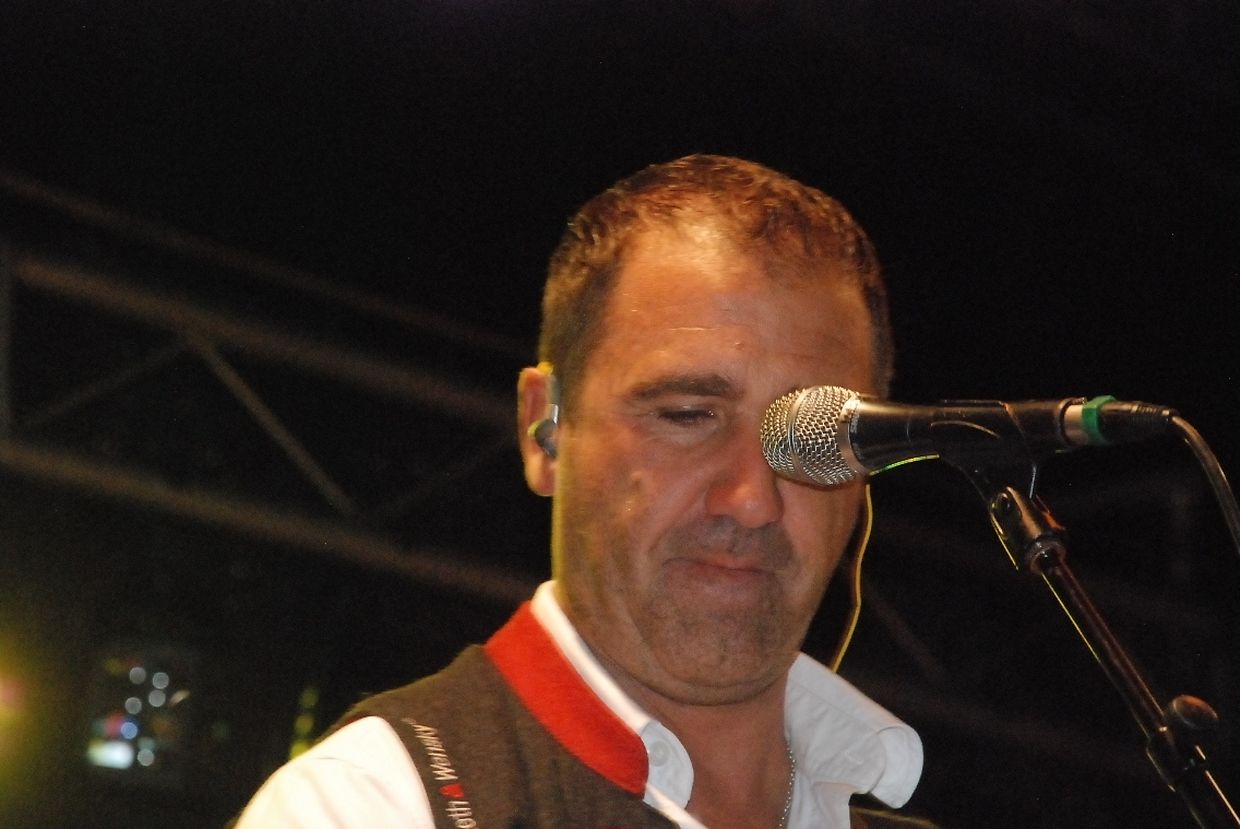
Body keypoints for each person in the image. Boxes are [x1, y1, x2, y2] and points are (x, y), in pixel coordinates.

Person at [232, 154, 929, 828]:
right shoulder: (371, 807)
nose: (753, 499)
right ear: (544, 431)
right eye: (687, 415)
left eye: (816, 436)